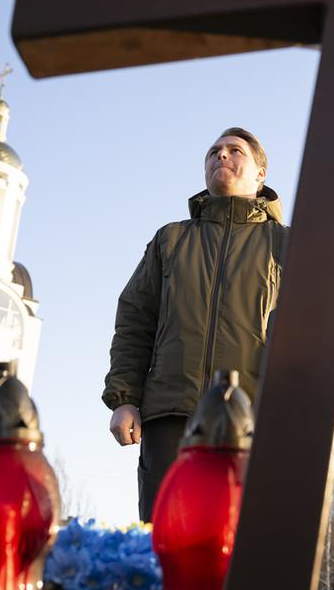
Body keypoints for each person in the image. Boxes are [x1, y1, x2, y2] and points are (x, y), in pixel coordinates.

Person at [103, 127, 287, 521]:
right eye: (213, 152)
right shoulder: (170, 240)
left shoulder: (288, 244)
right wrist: (124, 399)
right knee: (166, 542)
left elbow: (312, 339)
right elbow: (135, 320)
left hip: (254, 422)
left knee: (241, 552)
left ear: (260, 173)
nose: (221, 156)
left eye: (234, 150)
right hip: (171, 416)